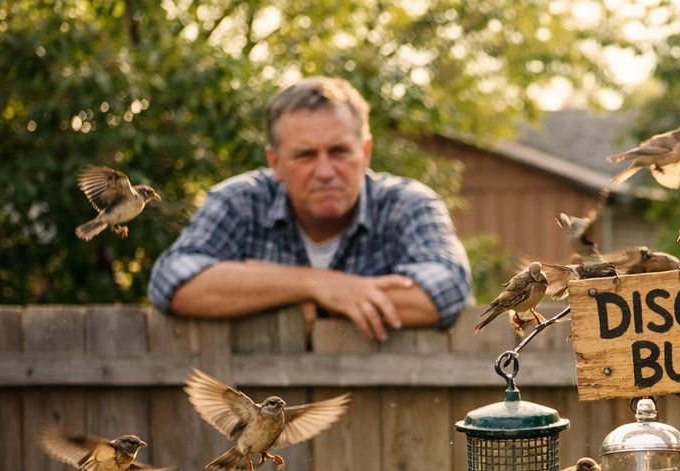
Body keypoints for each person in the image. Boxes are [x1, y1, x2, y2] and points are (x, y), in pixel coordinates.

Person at [149, 77, 471, 340]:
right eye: (305, 155)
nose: (325, 171)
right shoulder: (239, 201)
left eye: (339, 151)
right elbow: (172, 280)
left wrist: (286, 295)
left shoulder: (408, 204)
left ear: (365, 152)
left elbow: (448, 287)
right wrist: (318, 285)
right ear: (275, 162)